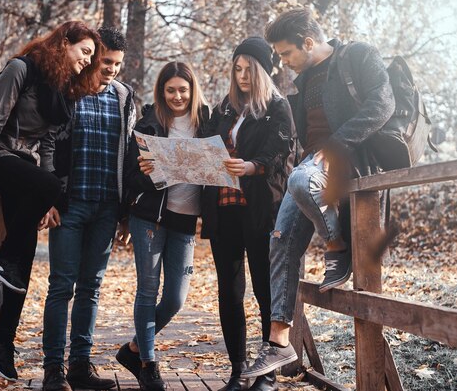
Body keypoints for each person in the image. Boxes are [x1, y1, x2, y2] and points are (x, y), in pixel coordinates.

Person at [242, 8, 395, 378]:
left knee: (298, 180)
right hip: (312, 167)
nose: (284, 63)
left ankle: (336, 246)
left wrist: (335, 145)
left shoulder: (358, 55)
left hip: (349, 160)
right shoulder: (305, 81)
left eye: (286, 54)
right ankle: (278, 342)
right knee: (279, 240)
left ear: (308, 42)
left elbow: (383, 104)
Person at [0, 21, 102, 381]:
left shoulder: (59, 90)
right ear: (64, 44)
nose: (88, 61)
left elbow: (46, 146)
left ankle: (2, 345)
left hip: (24, 169)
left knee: (22, 263)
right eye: (85, 52)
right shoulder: (21, 68)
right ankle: (4, 257)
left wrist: (49, 197)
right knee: (19, 247)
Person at [39, 27, 136, 391]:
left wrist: (125, 211)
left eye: (117, 64)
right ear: (95, 57)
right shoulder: (68, 90)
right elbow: (48, 143)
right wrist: (48, 196)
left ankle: (80, 365)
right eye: (106, 61)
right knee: (61, 286)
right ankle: (53, 370)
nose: (111, 69)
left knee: (91, 287)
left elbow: (129, 155)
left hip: (107, 208)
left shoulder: (125, 97)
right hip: (69, 206)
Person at [201, 37, 295, 391]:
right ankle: (238, 370)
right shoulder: (225, 107)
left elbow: (280, 156)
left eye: (248, 69)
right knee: (230, 290)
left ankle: (266, 373)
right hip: (222, 209)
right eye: (237, 69)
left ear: (262, 71)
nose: (241, 76)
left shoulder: (277, 107)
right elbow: (207, 145)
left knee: (264, 291)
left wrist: (252, 167)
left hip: (259, 210)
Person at [115, 61, 210, 391]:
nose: (177, 96)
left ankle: (133, 349)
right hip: (149, 219)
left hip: (185, 221)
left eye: (183, 90)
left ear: (192, 90)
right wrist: (146, 173)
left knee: (175, 299)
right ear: (161, 91)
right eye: (170, 90)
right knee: (147, 289)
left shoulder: (206, 122)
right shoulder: (148, 124)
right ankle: (148, 365)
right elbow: (129, 178)